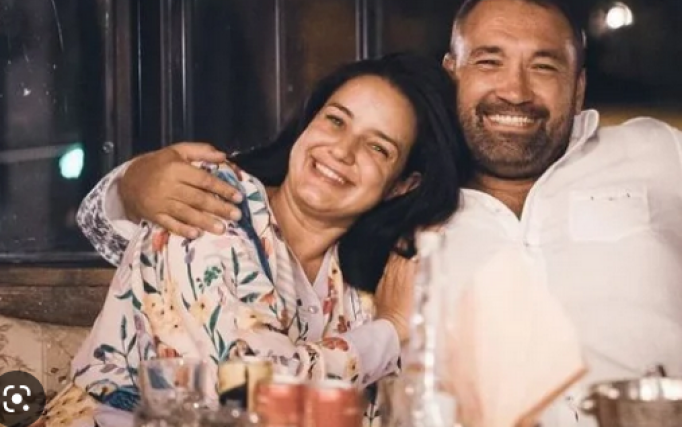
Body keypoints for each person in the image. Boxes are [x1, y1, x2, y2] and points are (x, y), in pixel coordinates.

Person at [75, 0, 682, 426]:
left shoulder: (653, 152)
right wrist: (131, 186)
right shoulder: (404, 213)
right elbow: (255, 258)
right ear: (453, 73)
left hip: (669, 418)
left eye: (543, 66)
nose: (514, 89)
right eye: (489, 60)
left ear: (578, 85)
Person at [41, 53, 470, 427]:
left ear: (403, 185)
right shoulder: (213, 200)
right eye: (335, 120)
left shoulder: (361, 286)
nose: (342, 150)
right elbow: (248, 393)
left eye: (378, 148)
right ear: (308, 123)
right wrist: (391, 332)